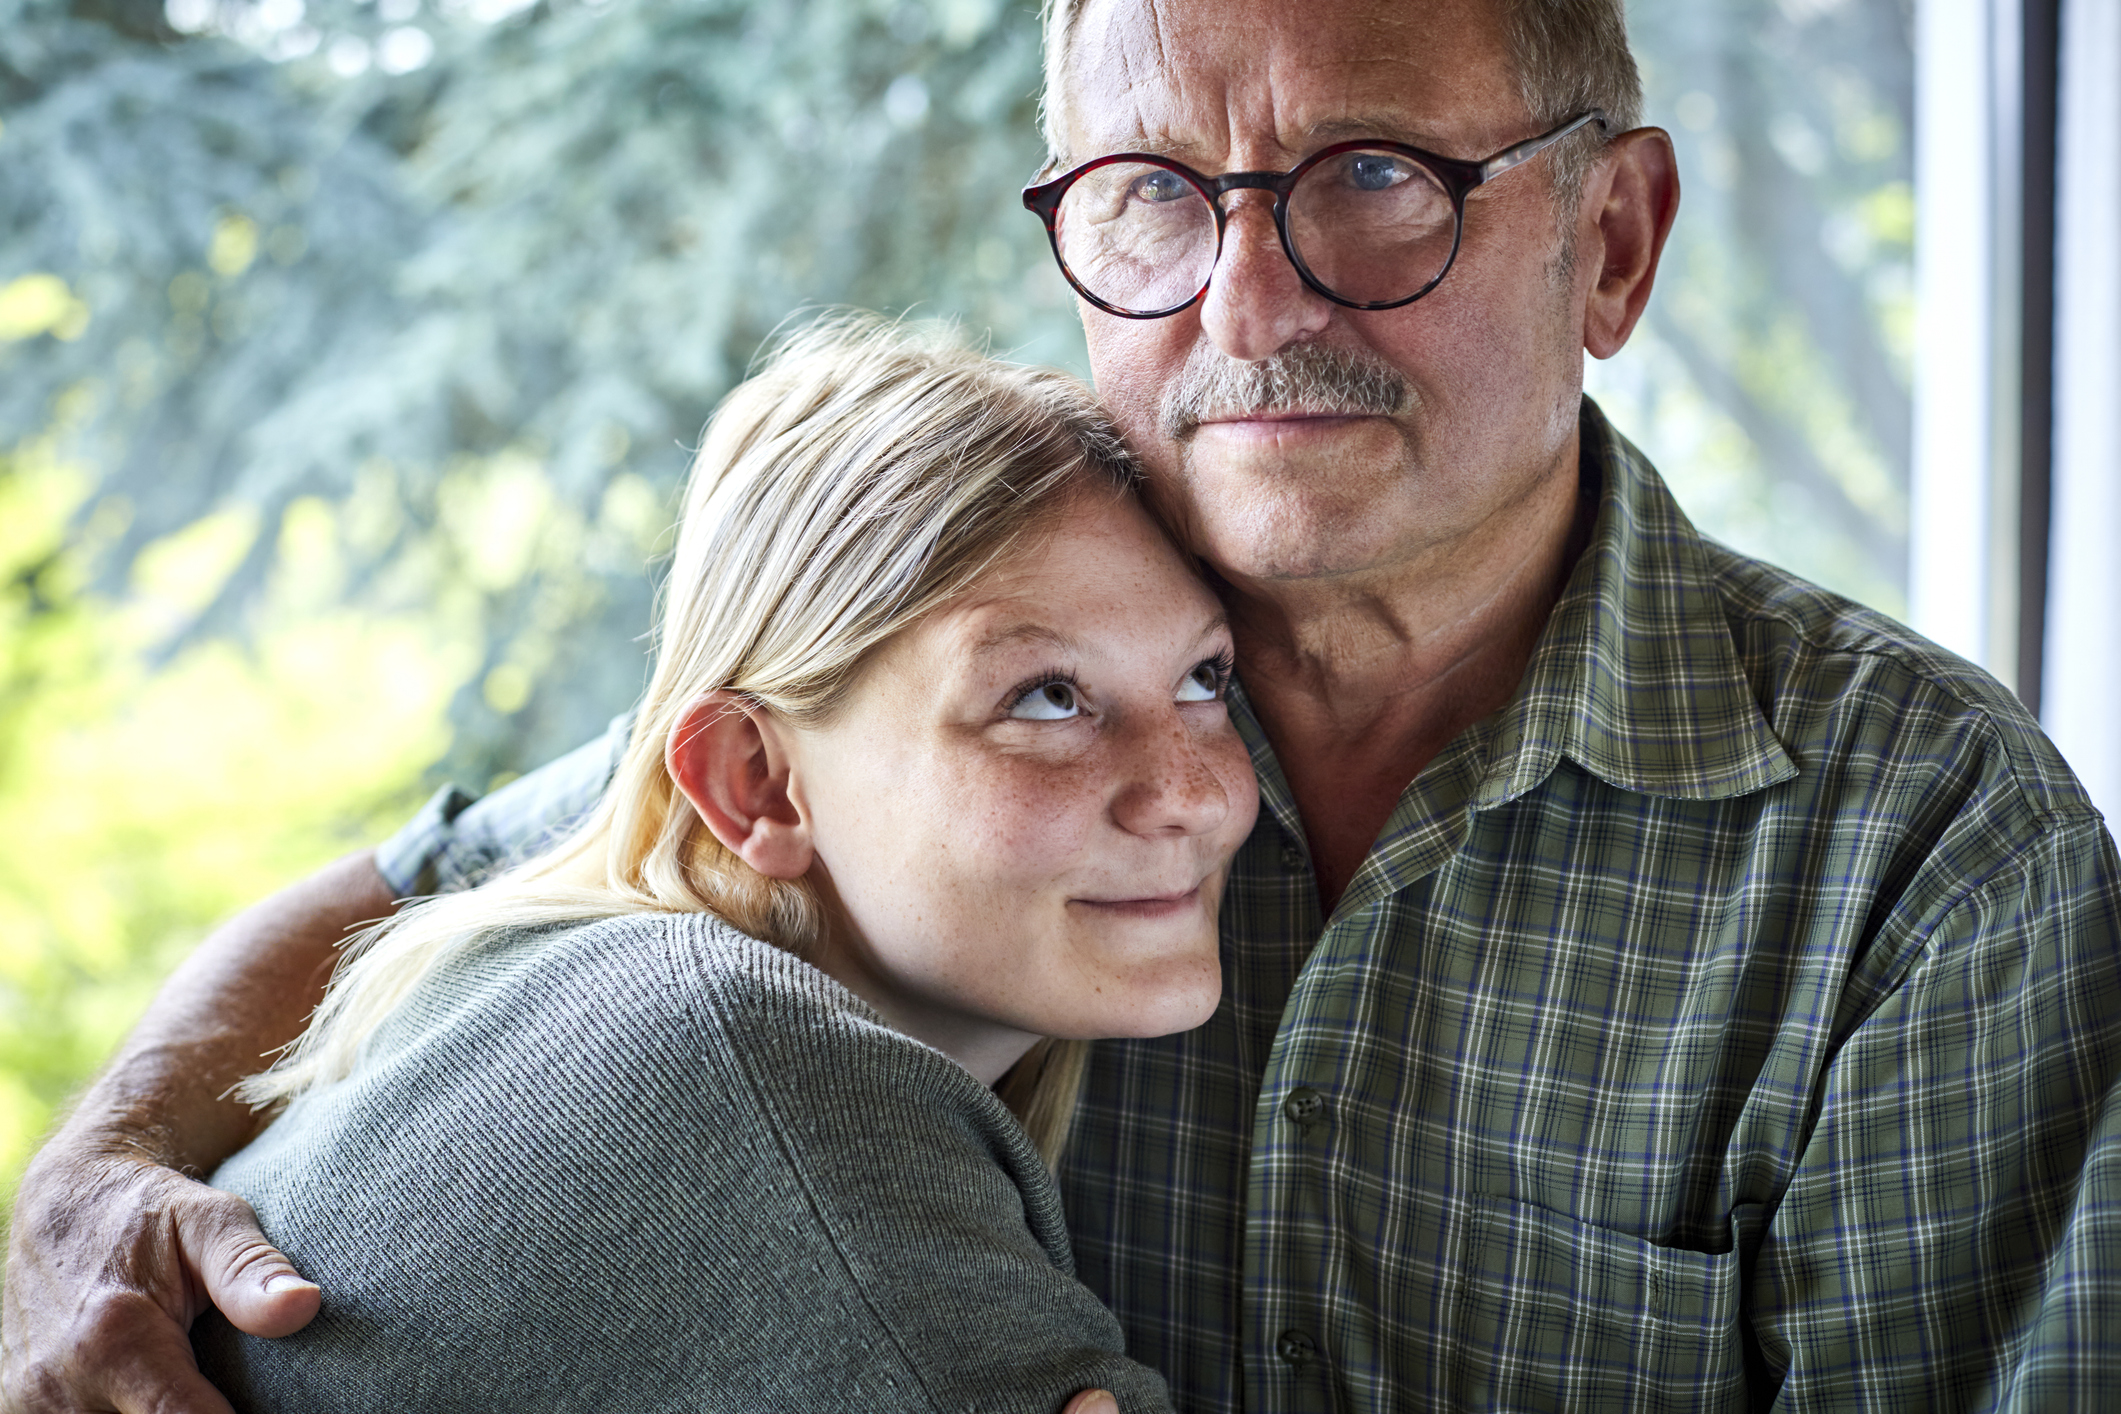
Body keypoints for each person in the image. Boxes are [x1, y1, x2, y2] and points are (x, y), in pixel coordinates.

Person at [8, 0, 2120, 1409]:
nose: (1247, 302)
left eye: (1375, 176)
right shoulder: (970, 648)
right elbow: (447, 881)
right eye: (1151, 197)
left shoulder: (1921, 856)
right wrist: (90, 1162)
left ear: (1614, 241)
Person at [188, 313, 1252, 1410]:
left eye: (1205, 679)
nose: (1196, 793)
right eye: (1045, 696)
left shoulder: (589, 984)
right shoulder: (775, 1090)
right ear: (755, 782)